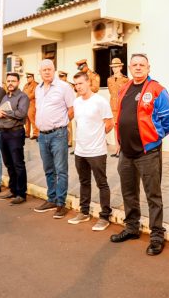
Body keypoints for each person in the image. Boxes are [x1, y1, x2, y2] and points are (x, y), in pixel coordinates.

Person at [110, 53, 169, 256]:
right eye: (135, 64)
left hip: (148, 152)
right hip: (126, 152)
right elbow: (120, 116)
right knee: (129, 193)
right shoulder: (124, 89)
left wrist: (154, 137)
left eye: (142, 65)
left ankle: (157, 235)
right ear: (130, 67)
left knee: (153, 196)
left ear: (148, 67)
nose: (138, 68)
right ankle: (131, 228)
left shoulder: (157, 89)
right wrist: (119, 141)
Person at [68, 71, 114, 231]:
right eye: (76, 84)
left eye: (80, 83)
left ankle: (104, 216)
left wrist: (97, 137)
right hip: (80, 151)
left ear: (88, 83)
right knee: (84, 182)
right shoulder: (77, 102)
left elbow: (109, 124)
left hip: (97, 151)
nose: (78, 87)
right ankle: (84, 212)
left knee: (102, 183)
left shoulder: (100, 101)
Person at [33, 59, 75, 219]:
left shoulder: (64, 87)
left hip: (58, 134)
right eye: (44, 70)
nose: (47, 72)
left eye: (49, 69)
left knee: (61, 170)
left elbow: (71, 109)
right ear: (40, 72)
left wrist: (61, 124)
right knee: (48, 169)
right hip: (42, 136)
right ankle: (51, 199)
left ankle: (60, 204)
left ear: (54, 70)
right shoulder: (37, 88)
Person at [0, 72, 30, 205]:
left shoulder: (23, 97)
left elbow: (21, 113)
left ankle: (21, 193)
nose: (10, 83)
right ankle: (13, 189)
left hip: (15, 133)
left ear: (18, 82)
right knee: (8, 163)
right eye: (8, 81)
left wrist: (4, 113)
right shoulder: (5, 97)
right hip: (3, 133)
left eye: (13, 81)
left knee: (18, 164)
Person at [107, 57, 129, 157]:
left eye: (116, 67)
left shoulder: (125, 80)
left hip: (122, 106)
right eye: (113, 67)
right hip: (113, 107)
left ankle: (123, 149)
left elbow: (127, 94)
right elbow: (111, 93)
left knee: (122, 128)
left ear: (120, 67)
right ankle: (117, 149)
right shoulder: (109, 79)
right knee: (115, 128)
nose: (114, 69)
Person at [58, 71, 76, 147]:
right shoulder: (58, 85)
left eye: (62, 77)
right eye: (60, 77)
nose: (61, 78)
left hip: (68, 107)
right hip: (60, 107)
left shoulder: (69, 85)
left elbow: (71, 97)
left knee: (68, 124)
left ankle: (69, 141)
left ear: (65, 77)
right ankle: (63, 140)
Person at [22, 73, 39, 140]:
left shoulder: (36, 85)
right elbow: (23, 92)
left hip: (32, 104)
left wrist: (25, 98)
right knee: (26, 119)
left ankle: (36, 133)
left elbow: (34, 94)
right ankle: (27, 133)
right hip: (25, 104)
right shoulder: (26, 85)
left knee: (32, 118)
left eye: (29, 77)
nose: (28, 79)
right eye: (27, 77)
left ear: (32, 77)